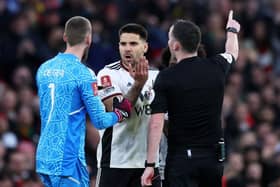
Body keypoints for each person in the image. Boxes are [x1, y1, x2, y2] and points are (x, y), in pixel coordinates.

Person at [141, 10, 240, 187]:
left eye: (170, 38)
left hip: (182, 161)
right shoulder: (216, 66)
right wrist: (232, 30)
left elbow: (157, 123)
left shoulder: (166, 77)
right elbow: (232, 52)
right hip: (213, 160)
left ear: (175, 46)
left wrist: (150, 165)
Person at [35, 16, 132, 187]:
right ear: (89, 39)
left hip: (44, 157)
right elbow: (100, 121)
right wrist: (120, 113)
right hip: (67, 160)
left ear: (65, 37)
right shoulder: (84, 74)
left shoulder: (44, 69)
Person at [95, 23, 161, 187]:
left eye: (133, 44)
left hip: (149, 164)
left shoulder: (157, 77)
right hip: (115, 163)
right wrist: (138, 85)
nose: (127, 49)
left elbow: (163, 122)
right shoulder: (107, 75)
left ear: (145, 47)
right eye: (123, 44)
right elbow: (117, 113)